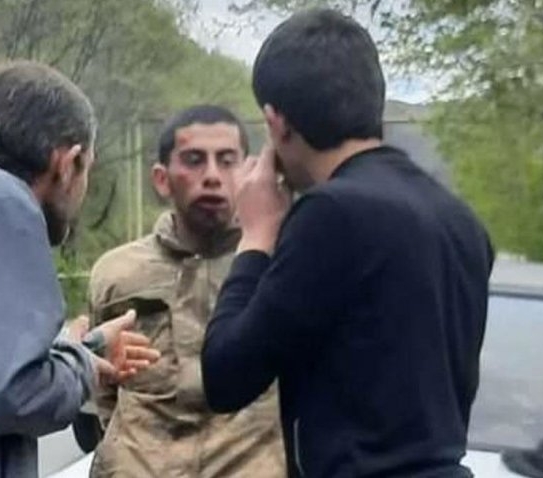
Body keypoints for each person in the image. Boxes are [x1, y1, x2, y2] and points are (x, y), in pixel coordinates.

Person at [201, 9, 495, 478]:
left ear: (277, 124)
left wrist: (256, 235)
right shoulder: (461, 221)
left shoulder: (330, 215)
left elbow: (225, 376)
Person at [0, 60, 159, 477]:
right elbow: (4, 392)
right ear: (67, 162)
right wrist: (83, 368)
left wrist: (83, 348)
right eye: (87, 170)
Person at [85, 105, 285, 478]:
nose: (212, 176)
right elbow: (102, 389)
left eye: (226, 160)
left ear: (248, 172)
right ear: (162, 179)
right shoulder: (117, 274)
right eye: (194, 160)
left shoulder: (277, 267)